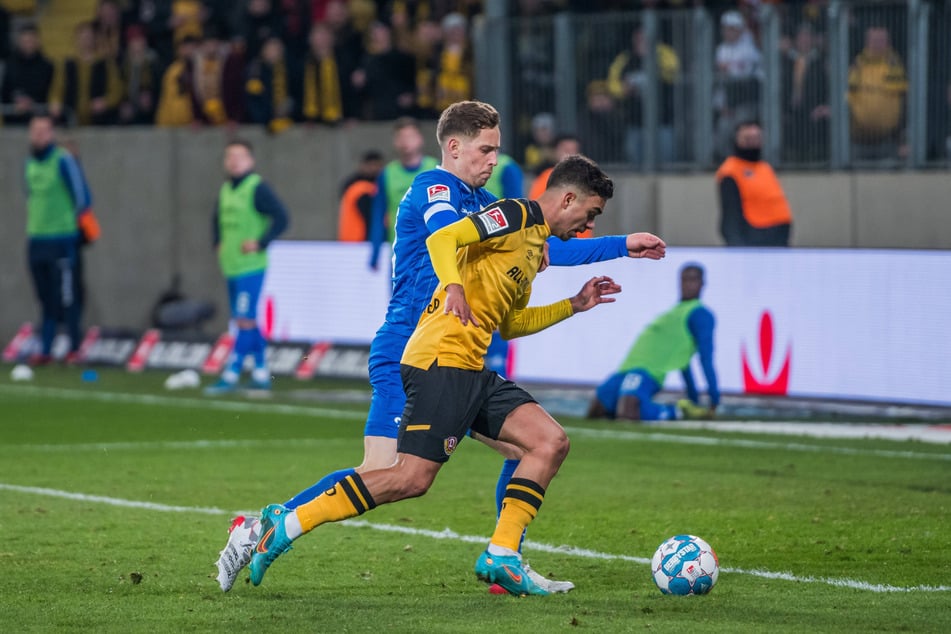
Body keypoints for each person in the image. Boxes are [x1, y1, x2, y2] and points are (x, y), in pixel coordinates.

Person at [214, 100, 666, 593]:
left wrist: (620, 246)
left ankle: (505, 559)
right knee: (385, 473)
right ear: (454, 147)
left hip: (459, 353)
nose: (494, 159)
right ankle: (263, 526)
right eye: (485, 149)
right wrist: (462, 280)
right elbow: (445, 236)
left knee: (529, 445)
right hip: (410, 345)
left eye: (497, 149)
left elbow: (546, 245)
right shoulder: (436, 190)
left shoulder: (486, 203)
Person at [204, 139, 289, 394]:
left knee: (243, 319)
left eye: (240, 156)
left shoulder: (257, 187)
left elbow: (282, 217)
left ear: (250, 161)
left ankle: (232, 371)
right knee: (247, 319)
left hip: (250, 266)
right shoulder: (226, 189)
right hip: (231, 265)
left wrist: (261, 242)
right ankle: (261, 370)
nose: (234, 161)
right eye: (229, 156)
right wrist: (217, 242)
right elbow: (216, 219)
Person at [587, 263, 718, 422]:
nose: (688, 285)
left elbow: (706, 358)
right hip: (627, 368)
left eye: (693, 280)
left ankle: (677, 411)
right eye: (685, 280)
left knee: (627, 413)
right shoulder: (673, 312)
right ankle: (677, 409)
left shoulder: (700, 314)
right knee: (595, 411)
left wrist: (713, 399)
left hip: (647, 371)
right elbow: (682, 360)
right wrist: (694, 400)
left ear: (702, 283)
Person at [23, 114, 94, 365]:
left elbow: (83, 197)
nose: (39, 136)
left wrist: (68, 226)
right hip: (36, 240)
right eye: (35, 131)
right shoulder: (30, 163)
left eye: (44, 131)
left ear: (52, 133)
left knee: (68, 296)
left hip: (62, 240)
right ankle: (46, 349)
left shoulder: (62, 160)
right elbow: (30, 196)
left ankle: (74, 348)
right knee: (45, 298)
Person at [367, 117, 438, 269]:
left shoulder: (435, 170)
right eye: (401, 137)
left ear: (420, 139)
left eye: (410, 137)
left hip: (432, 255)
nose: (406, 142)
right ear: (395, 142)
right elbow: (378, 215)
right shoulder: (387, 174)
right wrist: (375, 253)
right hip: (400, 255)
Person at [716, 121, 793, 247]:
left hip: (777, 237)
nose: (753, 143)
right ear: (737, 140)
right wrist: (737, 245)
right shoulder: (731, 170)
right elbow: (730, 215)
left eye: (757, 138)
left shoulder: (764, 167)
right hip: (754, 238)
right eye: (748, 139)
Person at [847, 25, 907, 162]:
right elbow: (848, 95)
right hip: (858, 139)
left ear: (888, 42)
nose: (877, 44)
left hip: (889, 139)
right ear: (866, 42)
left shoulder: (896, 65)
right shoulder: (857, 65)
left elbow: (905, 98)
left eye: (881, 40)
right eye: (874, 40)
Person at [1, 23, 55, 126]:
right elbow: (5, 91)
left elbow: (50, 92)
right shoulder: (10, 64)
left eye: (31, 41)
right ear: (19, 42)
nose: (28, 44)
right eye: (25, 41)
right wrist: (14, 104)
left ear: (38, 41)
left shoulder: (47, 66)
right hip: (13, 118)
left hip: (39, 119)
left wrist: (32, 103)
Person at [337, 150, 384, 242]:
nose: (374, 169)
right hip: (361, 242)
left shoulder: (352, 186)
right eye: (372, 165)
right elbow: (371, 219)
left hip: (349, 241)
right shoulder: (364, 189)